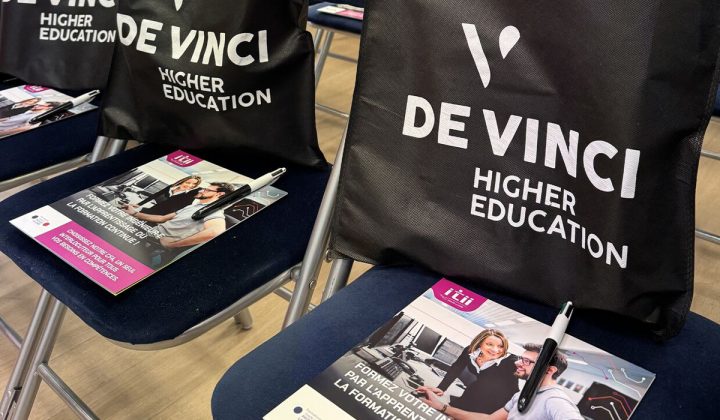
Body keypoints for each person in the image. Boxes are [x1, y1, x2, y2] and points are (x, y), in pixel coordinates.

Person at [418, 343, 583, 420]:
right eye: (520, 358)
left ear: (549, 370)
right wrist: (442, 407)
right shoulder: (521, 396)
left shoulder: (554, 400)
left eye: (526, 361)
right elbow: (489, 419)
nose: (517, 363)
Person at [423, 329, 518, 414]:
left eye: (500, 346)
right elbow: (457, 367)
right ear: (480, 343)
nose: (495, 350)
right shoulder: (471, 351)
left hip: (499, 402)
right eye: (489, 344)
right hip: (477, 391)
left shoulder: (510, 362)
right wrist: (442, 388)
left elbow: (513, 390)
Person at [125, 182, 235, 249]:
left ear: (219, 194)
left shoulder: (213, 212)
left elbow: (215, 232)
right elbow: (162, 218)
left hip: (153, 242)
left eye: (207, 190)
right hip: (148, 232)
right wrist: (135, 213)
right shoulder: (194, 207)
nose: (202, 190)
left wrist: (171, 245)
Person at [126, 175, 202, 216]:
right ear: (183, 181)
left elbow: (175, 210)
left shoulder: (188, 196)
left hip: (160, 216)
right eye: (188, 182)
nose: (190, 185)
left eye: (194, 184)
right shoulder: (171, 187)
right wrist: (139, 204)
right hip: (151, 210)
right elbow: (155, 195)